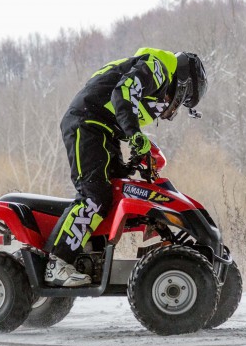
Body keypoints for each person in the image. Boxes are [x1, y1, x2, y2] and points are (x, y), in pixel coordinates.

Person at [44, 47, 208, 287]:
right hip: (87, 124)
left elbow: (123, 109)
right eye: (180, 101)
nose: (172, 108)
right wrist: (134, 135)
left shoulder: (158, 77)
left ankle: (89, 254)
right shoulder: (158, 67)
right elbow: (123, 93)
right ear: (184, 84)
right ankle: (57, 263)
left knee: (116, 190)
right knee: (95, 195)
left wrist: (135, 158)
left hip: (102, 129)